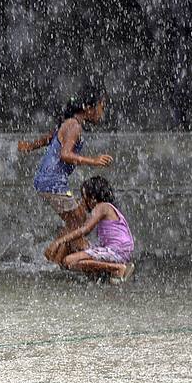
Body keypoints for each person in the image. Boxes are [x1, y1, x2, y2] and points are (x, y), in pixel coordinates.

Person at [18, 81, 114, 264]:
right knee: (80, 220)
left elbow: (50, 138)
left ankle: (58, 257)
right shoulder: (75, 126)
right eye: (101, 107)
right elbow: (65, 154)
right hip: (53, 182)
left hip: (48, 181)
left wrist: (29, 146)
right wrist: (93, 160)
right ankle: (74, 256)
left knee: (76, 220)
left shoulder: (69, 123)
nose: (102, 112)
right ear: (88, 108)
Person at [44, 175, 136, 280]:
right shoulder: (107, 207)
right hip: (118, 251)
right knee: (70, 237)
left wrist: (58, 242)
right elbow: (78, 230)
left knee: (69, 261)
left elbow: (85, 229)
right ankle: (55, 267)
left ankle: (117, 268)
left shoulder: (102, 207)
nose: (82, 201)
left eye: (84, 197)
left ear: (92, 198)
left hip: (116, 251)